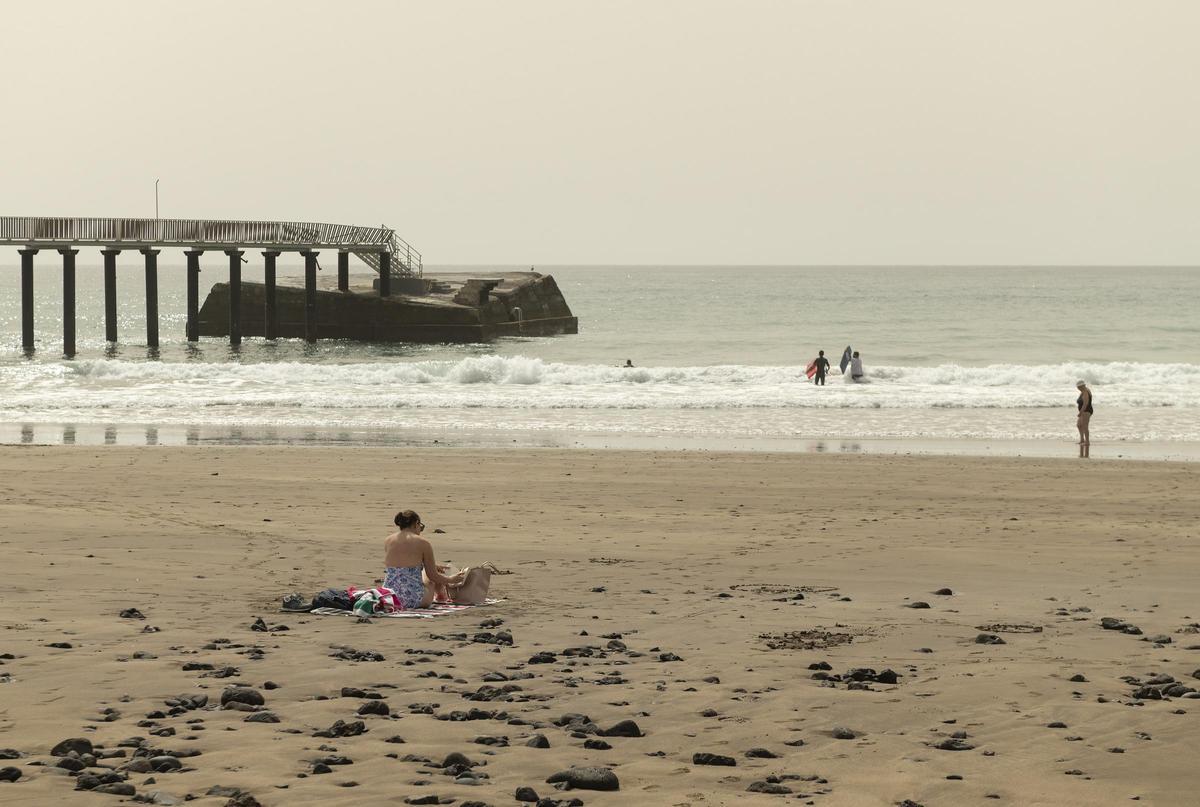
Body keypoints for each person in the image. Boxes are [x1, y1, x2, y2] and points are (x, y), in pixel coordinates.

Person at [383, 510, 466, 609]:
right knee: (428, 576)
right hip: (413, 599)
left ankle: (441, 596)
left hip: (389, 598)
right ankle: (441, 596)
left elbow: (401, 565)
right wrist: (451, 579)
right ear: (416, 523)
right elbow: (433, 576)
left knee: (424, 572)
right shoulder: (423, 543)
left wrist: (430, 566)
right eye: (421, 527)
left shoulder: (388, 540)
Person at [1076, 380, 1093, 458]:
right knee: (1079, 425)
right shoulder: (1083, 391)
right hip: (1083, 411)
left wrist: (1081, 412)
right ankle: (1082, 439)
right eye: (1077, 387)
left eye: (1079, 387)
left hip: (1086, 411)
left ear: (1082, 386)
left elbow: (1085, 404)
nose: (1078, 388)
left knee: (1085, 426)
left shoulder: (1086, 392)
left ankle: (1087, 442)